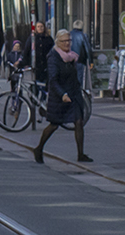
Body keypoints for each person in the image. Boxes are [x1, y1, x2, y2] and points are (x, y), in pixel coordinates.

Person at [35, 31, 92, 164]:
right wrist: (63, 94)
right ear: (58, 42)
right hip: (60, 96)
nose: (67, 43)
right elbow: (53, 80)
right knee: (54, 125)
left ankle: (81, 154)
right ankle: (38, 148)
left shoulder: (71, 56)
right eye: (64, 41)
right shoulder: (53, 57)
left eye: (68, 41)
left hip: (74, 93)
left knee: (78, 122)